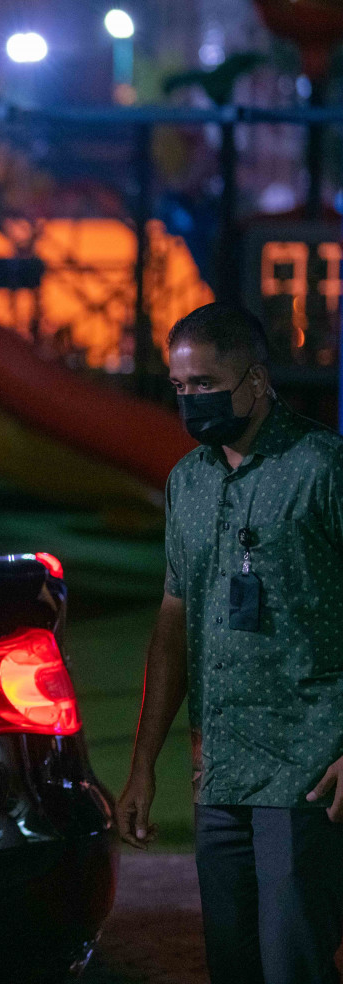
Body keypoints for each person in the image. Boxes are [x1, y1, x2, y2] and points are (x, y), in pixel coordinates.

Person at [117, 301, 343, 984]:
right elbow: (171, 628)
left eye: (206, 385)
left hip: (307, 768)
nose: (191, 401)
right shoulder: (188, 482)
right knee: (234, 964)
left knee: (292, 964)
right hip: (220, 775)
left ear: (254, 380)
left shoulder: (322, 468)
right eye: (180, 387)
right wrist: (143, 763)